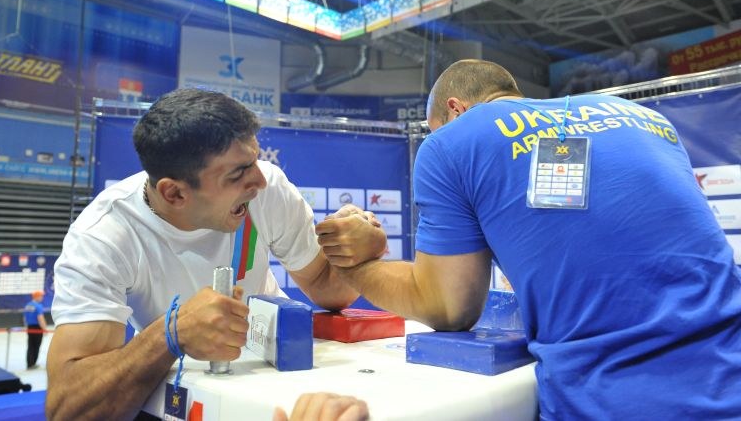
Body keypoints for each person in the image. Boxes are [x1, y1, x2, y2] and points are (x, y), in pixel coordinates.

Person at [317, 59, 741, 419]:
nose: (435, 138)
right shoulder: (647, 119)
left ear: (455, 110)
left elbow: (448, 308)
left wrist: (357, 263)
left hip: (617, 398)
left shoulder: (449, 145)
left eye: (434, 129)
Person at [46, 88, 385, 420]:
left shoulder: (267, 189)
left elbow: (329, 290)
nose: (260, 181)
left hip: (275, 377)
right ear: (175, 193)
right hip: (187, 393)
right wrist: (172, 333)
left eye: (255, 160)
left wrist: (356, 254)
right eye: (238, 173)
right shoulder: (103, 237)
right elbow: (68, 409)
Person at [22, 290, 47, 370]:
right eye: (41, 296)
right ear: (37, 297)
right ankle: (33, 364)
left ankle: (29, 363)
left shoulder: (28, 305)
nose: (42, 298)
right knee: (36, 346)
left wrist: (27, 327)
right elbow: (40, 318)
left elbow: (24, 318)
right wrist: (44, 329)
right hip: (37, 328)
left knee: (30, 346)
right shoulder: (38, 306)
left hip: (30, 327)